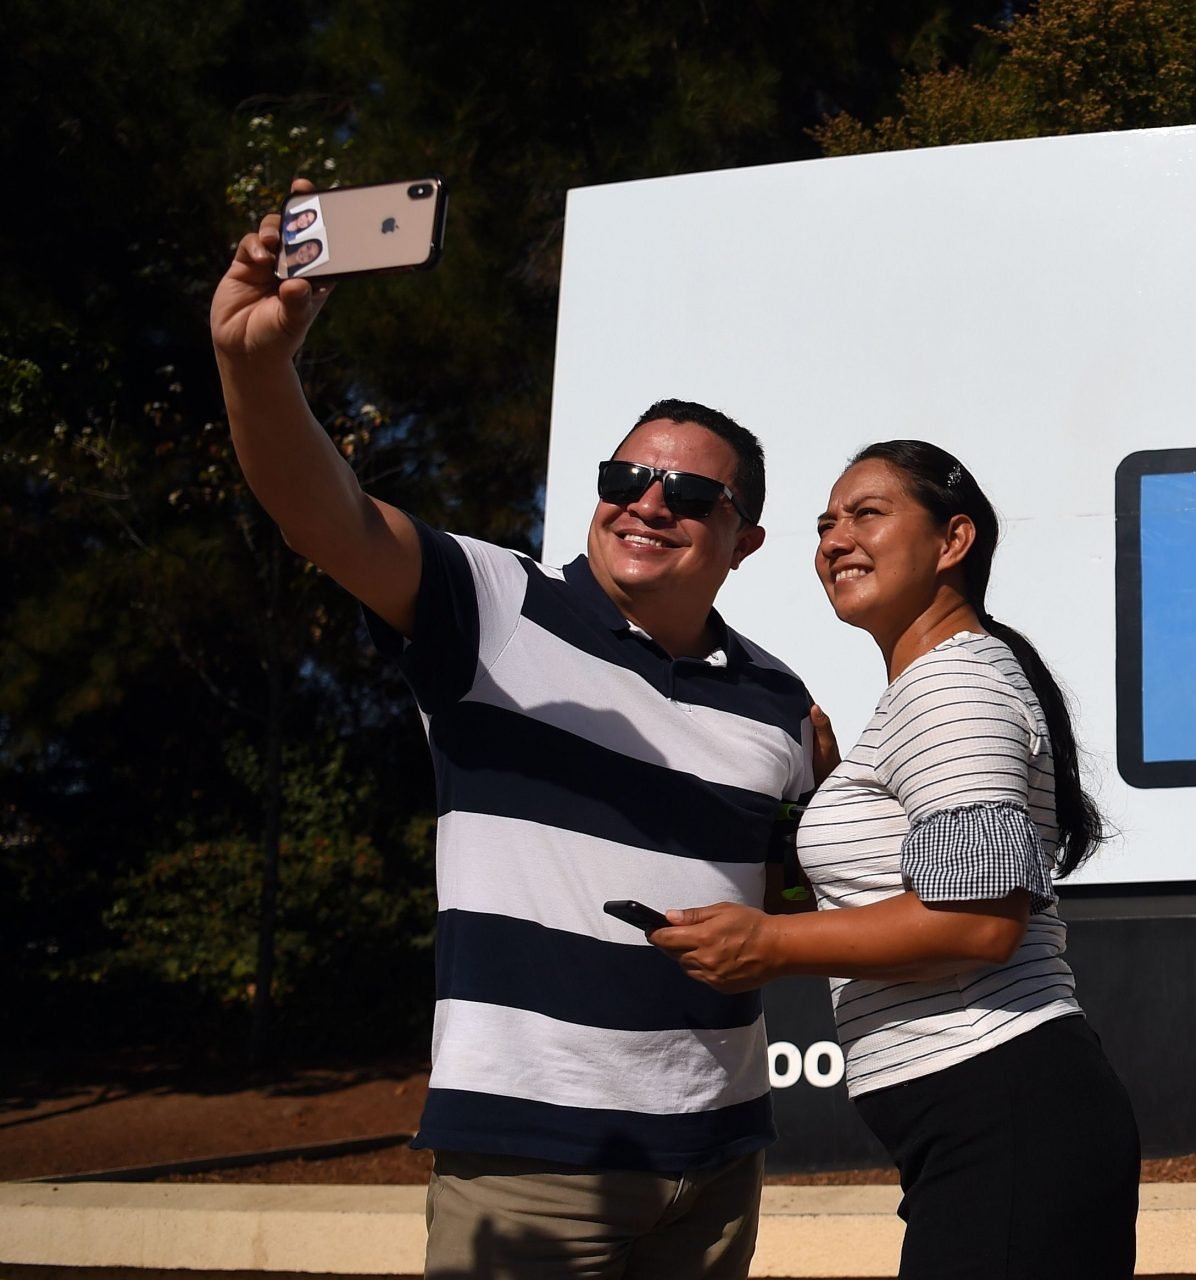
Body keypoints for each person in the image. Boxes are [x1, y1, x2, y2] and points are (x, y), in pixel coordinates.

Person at [211, 177, 815, 1279]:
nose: (647, 502)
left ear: (747, 539)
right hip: (532, 1157)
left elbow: (817, 873)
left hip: (722, 1154)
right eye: (625, 476)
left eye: (686, 492)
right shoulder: (496, 601)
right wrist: (256, 365)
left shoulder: (778, 696)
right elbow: (324, 514)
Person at [652, 440, 1141, 1278]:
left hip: (1005, 1111)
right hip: (979, 1124)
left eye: (867, 514)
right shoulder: (931, 691)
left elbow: (977, 922)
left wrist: (766, 945)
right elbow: (892, 893)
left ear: (954, 542)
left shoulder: (953, 686)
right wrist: (832, 795)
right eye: (824, 524)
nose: (835, 539)